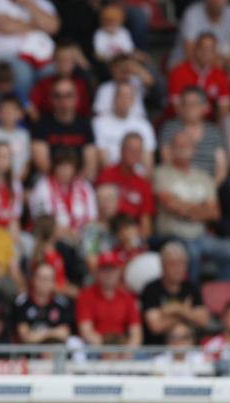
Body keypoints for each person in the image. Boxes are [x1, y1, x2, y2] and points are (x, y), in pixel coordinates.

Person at [154, 130, 230, 282]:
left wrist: (184, 207)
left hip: (201, 236)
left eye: (186, 145)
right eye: (178, 145)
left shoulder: (203, 177)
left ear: (193, 149)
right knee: (191, 254)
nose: (182, 149)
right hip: (173, 236)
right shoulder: (161, 173)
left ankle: (222, 294)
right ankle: (192, 294)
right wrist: (200, 208)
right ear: (170, 149)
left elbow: (214, 213)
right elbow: (170, 205)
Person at [0, 0, 60, 98]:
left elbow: (52, 27)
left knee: (50, 70)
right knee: (23, 73)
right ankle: (21, 108)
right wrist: (39, 25)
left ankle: (44, 110)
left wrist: (28, 4)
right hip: (6, 54)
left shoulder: (42, 2)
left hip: (38, 54)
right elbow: (5, 26)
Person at [140, 242, 210, 346]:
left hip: (190, 352)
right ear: (163, 266)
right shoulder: (151, 289)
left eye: (181, 264)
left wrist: (177, 309)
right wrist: (187, 312)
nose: (178, 269)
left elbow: (203, 321)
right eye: (173, 264)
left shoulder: (191, 288)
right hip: (157, 350)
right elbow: (156, 326)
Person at [31, 76, 97, 180]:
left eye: (68, 95)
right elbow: (42, 163)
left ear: (76, 98)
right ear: (51, 99)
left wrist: (75, 183)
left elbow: (90, 162)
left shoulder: (85, 124)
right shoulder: (42, 124)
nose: (63, 100)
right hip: (49, 180)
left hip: (79, 180)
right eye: (58, 95)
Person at [29, 148, 98, 245]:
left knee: (95, 240)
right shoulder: (43, 186)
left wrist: (81, 233)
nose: (65, 170)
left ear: (74, 168)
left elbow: (92, 218)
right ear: (55, 167)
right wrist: (67, 233)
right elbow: (42, 220)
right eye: (61, 166)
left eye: (69, 166)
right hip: (54, 237)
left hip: (82, 236)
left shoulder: (84, 186)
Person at [160, 86, 227, 184]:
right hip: (176, 184)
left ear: (204, 107)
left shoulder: (214, 132)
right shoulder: (170, 128)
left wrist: (209, 188)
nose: (189, 108)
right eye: (185, 104)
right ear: (180, 107)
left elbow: (222, 167)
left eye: (194, 104)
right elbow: (166, 161)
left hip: (209, 185)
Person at [76, 251, 142, 347]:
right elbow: (86, 331)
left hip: (122, 347)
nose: (109, 274)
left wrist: (128, 351)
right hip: (95, 348)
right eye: (105, 269)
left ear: (119, 272)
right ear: (98, 272)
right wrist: (107, 350)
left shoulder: (128, 297)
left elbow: (136, 332)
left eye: (112, 269)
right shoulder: (85, 296)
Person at [96, 132, 155, 238]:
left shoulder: (143, 184)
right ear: (121, 150)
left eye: (138, 151)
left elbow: (146, 223)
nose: (134, 154)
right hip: (109, 231)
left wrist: (138, 238)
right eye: (131, 150)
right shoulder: (107, 175)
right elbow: (99, 212)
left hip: (133, 236)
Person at [92, 82, 156, 171]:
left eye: (128, 97)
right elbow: (103, 160)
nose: (124, 100)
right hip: (111, 176)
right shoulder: (99, 123)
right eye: (121, 96)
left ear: (133, 100)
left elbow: (148, 163)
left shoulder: (145, 126)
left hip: (137, 178)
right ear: (114, 98)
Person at [168, 32, 230, 120]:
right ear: (195, 49)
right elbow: (176, 106)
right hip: (180, 121)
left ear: (215, 53)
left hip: (210, 124)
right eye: (203, 48)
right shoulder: (178, 72)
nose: (206, 53)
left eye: (211, 50)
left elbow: (224, 106)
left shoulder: (220, 74)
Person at [28, 41, 92, 121]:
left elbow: (85, 112)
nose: (64, 64)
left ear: (74, 62)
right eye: (60, 60)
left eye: (68, 60)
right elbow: (33, 108)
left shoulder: (81, 84)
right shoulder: (44, 83)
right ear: (54, 62)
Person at [14, 262, 73, 344]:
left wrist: (39, 334)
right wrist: (52, 333)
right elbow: (25, 337)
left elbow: (64, 334)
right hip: (29, 354)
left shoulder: (62, 303)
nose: (44, 282)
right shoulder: (22, 302)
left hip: (55, 352)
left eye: (48, 279)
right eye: (41, 278)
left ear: (53, 282)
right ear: (33, 279)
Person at [0, 94, 31, 179]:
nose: (8, 114)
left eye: (12, 111)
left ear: (21, 114)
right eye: (4, 111)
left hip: (17, 179)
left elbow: (27, 160)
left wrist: (19, 178)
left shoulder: (24, 134)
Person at [172, 0, 230, 65]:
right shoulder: (192, 13)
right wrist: (219, 63)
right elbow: (190, 52)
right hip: (184, 64)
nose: (216, 1)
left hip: (221, 65)